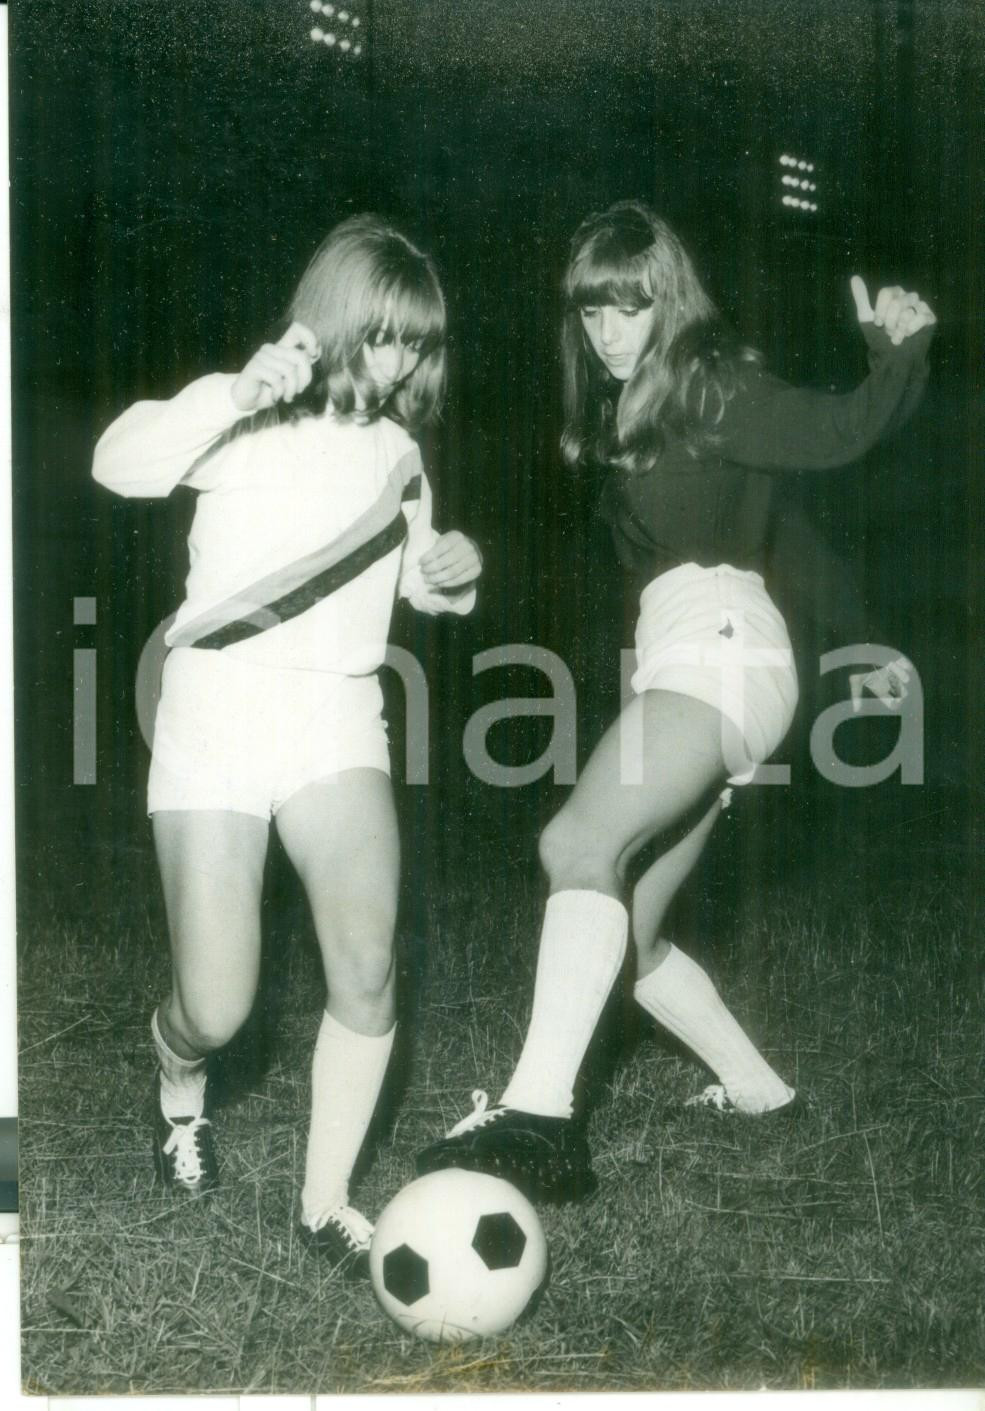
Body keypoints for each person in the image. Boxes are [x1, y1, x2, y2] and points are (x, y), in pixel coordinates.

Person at [416, 199, 935, 1203]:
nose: (606, 331)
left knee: (574, 846)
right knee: (628, 930)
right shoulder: (629, 412)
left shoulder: (708, 378)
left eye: (627, 307)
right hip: (697, 658)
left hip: (720, 655)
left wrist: (894, 353)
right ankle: (757, 1088)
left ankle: (536, 1123)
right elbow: (779, 529)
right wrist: (860, 638)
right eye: (589, 312)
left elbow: (837, 433)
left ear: (668, 302)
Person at [92, 214, 483, 1273]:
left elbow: (417, 578)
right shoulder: (249, 412)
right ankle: (178, 1087)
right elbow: (116, 461)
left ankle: (324, 1203)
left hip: (338, 716)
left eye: (416, 342)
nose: (396, 361)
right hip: (216, 711)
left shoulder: (401, 454)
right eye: (381, 334)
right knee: (216, 1002)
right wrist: (232, 392)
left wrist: (450, 574)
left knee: (367, 962)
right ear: (334, 318)